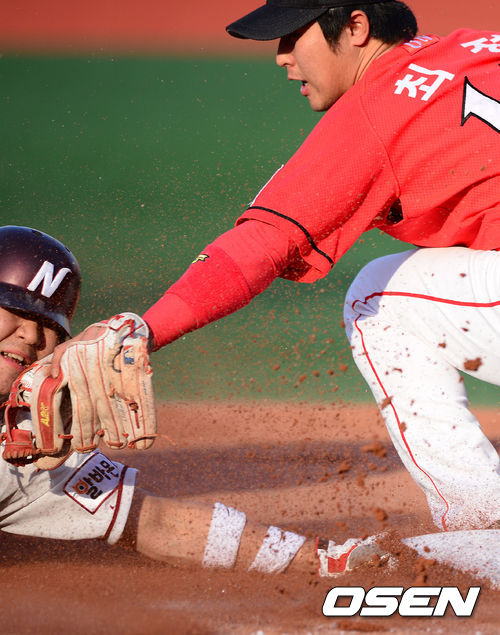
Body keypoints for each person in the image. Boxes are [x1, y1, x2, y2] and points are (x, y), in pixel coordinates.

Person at [51, 0, 500, 533]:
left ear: (356, 27)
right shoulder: (478, 46)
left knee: (378, 298)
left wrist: (141, 333)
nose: (282, 56)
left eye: (293, 36)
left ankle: (482, 525)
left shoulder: (374, 109)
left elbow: (262, 244)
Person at [0, 225, 385, 576]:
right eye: (14, 311)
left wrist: (320, 559)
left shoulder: (29, 445)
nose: (31, 336)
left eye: (48, 325)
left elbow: (156, 522)